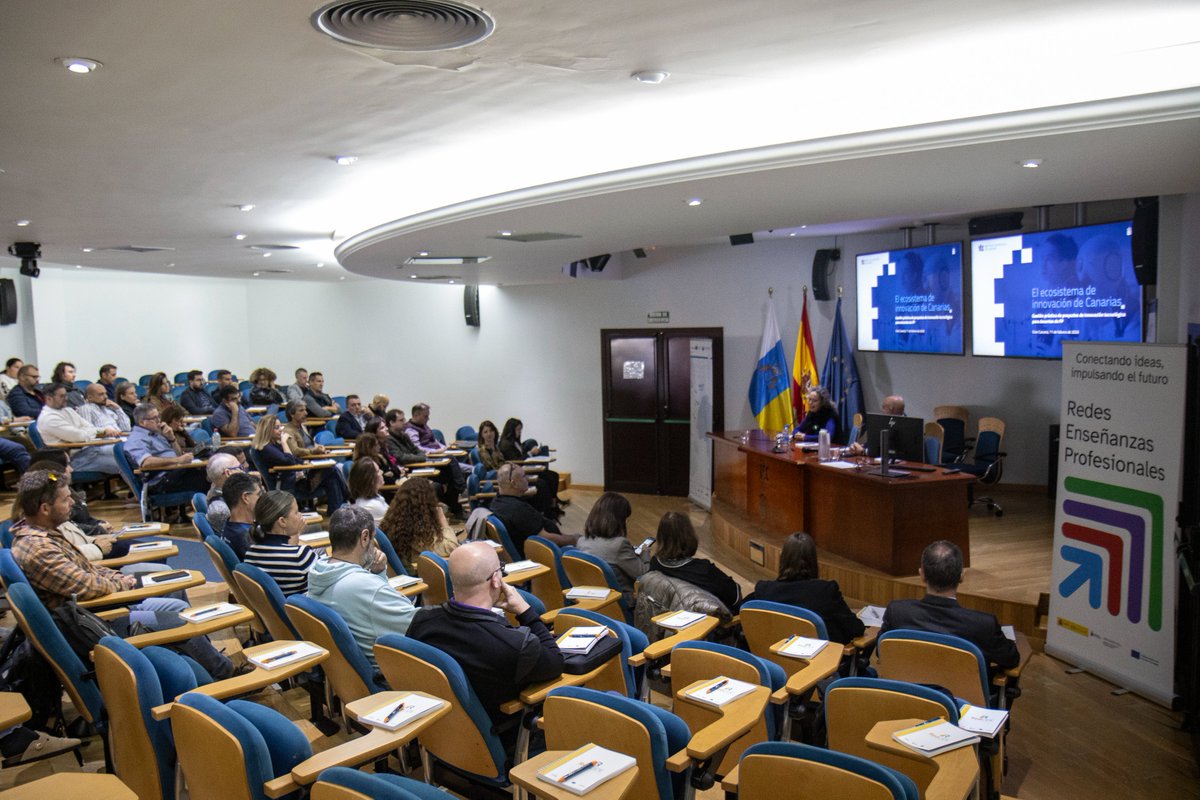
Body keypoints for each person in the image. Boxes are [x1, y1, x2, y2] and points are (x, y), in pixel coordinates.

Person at [10, 469, 235, 678]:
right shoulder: (38, 549)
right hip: (95, 626)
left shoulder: (45, 536)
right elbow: (85, 585)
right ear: (45, 508)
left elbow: (87, 569)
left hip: (93, 615)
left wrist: (117, 578)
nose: (72, 503)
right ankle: (225, 675)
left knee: (175, 606)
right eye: (65, 499)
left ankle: (204, 668)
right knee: (180, 620)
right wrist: (122, 585)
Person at [406, 541, 562, 746]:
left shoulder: (422, 622)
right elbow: (556, 661)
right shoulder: (513, 645)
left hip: (446, 739)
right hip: (510, 739)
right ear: (496, 580)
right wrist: (526, 612)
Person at [880, 540, 1020, 678]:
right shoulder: (984, 625)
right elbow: (1011, 659)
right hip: (961, 700)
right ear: (961, 576)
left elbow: (881, 652)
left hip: (910, 697)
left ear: (922, 575)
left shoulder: (897, 612)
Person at [306, 506, 412, 668]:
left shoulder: (318, 572)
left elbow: (369, 609)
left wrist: (378, 574)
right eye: (373, 539)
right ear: (364, 537)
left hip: (347, 670)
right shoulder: (366, 586)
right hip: (390, 672)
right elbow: (415, 625)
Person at [738, 532, 863, 644]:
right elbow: (856, 629)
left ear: (783, 559)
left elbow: (742, 610)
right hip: (820, 666)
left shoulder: (764, 590)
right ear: (814, 561)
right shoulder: (826, 591)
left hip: (774, 664)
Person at [252, 415, 346, 512]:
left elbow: (293, 459)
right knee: (330, 470)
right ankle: (343, 504)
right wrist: (284, 442)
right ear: (267, 430)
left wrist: (304, 462)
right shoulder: (266, 448)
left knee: (331, 476)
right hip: (287, 484)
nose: (280, 430)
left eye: (280, 426)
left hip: (295, 479)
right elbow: (289, 461)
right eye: (276, 428)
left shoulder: (274, 444)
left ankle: (336, 511)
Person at [649, 511, 740, 610]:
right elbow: (735, 596)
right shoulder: (704, 570)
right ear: (689, 536)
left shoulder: (655, 564)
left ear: (661, 537)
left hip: (667, 621)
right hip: (706, 623)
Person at [384, 408, 463, 516]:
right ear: (392, 423)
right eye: (401, 420)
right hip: (409, 471)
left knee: (449, 468)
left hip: (418, 465)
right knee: (446, 476)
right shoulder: (389, 440)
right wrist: (420, 458)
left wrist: (420, 456)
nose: (405, 422)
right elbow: (401, 458)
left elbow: (418, 451)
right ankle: (456, 501)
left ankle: (455, 502)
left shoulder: (404, 435)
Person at [124, 403, 210, 496]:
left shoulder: (156, 433)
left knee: (211, 468)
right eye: (154, 418)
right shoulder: (137, 439)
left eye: (158, 417)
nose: (159, 421)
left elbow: (178, 454)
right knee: (210, 476)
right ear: (142, 422)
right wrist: (178, 460)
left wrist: (172, 439)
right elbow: (146, 462)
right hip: (162, 481)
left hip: (175, 471)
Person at [37, 383, 123, 475]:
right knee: (124, 465)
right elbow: (79, 436)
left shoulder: (67, 410)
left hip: (89, 451)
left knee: (127, 456)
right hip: (72, 460)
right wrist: (96, 432)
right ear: (49, 398)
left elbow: (89, 427)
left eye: (66, 395)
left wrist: (89, 432)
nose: (66, 398)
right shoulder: (49, 418)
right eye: (62, 396)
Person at [488, 463, 576, 554]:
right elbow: (546, 539)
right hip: (550, 553)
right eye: (524, 476)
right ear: (514, 483)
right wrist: (574, 539)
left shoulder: (497, 502)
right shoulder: (518, 510)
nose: (527, 479)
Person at [244, 490, 318, 596]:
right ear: (282, 521)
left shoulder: (250, 553)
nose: (300, 516)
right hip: (302, 610)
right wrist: (296, 534)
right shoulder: (301, 555)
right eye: (296, 512)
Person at [574, 491, 645, 600]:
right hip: (622, 603)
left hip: (593, 601)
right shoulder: (619, 545)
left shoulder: (582, 542)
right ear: (619, 520)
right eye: (626, 519)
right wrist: (646, 555)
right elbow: (643, 574)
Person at [379, 476, 460, 571]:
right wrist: (443, 521)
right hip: (421, 578)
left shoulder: (394, 523)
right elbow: (452, 547)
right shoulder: (417, 535)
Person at [498, 417, 560, 516]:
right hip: (520, 472)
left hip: (525, 468)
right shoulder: (506, 444)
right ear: (511, 430)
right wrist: (530, 453)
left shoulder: (515, 441)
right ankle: (546, 511)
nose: (520, 432)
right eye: (518, 430)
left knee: (553, 476)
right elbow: (517, 461)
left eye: (520, 430)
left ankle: (553, 505)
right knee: (543, 482)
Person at [216, 471, 261, 560]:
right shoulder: (245, 538)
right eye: (259, 495)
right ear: (245, 497)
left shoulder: (231, 526)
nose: (263, 499)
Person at [353, 420, 405, 484]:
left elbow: (394, 471)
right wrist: (391, 476)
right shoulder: (365, 464)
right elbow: (381, 480)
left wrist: (392, 472)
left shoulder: (379, 456)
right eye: (376, 445)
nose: (379, 447)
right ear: (369, 448)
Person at [202, 452, 241, 534]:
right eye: (239, 467)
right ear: (228, 473)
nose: (243, 471)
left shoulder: (215, 486)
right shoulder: (221, 510)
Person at [348, 457, 389, 523]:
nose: (382, 472)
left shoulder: (374, 497)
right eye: (378, 471)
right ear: (370, 479)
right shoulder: (372, 505)